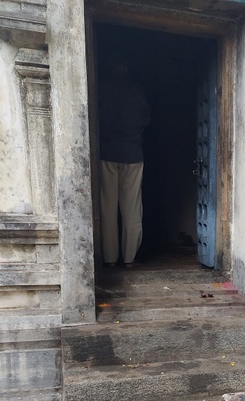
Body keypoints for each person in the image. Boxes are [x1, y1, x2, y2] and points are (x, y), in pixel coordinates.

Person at [98, 56, 151, 268]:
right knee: (132, 209)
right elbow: (146, 119)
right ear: (126, 68)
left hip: (107, 154)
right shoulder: (137, 91)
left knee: (107, 209)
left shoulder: (102, 89)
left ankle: (110, 259)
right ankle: (130, 259)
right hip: (133, 154)